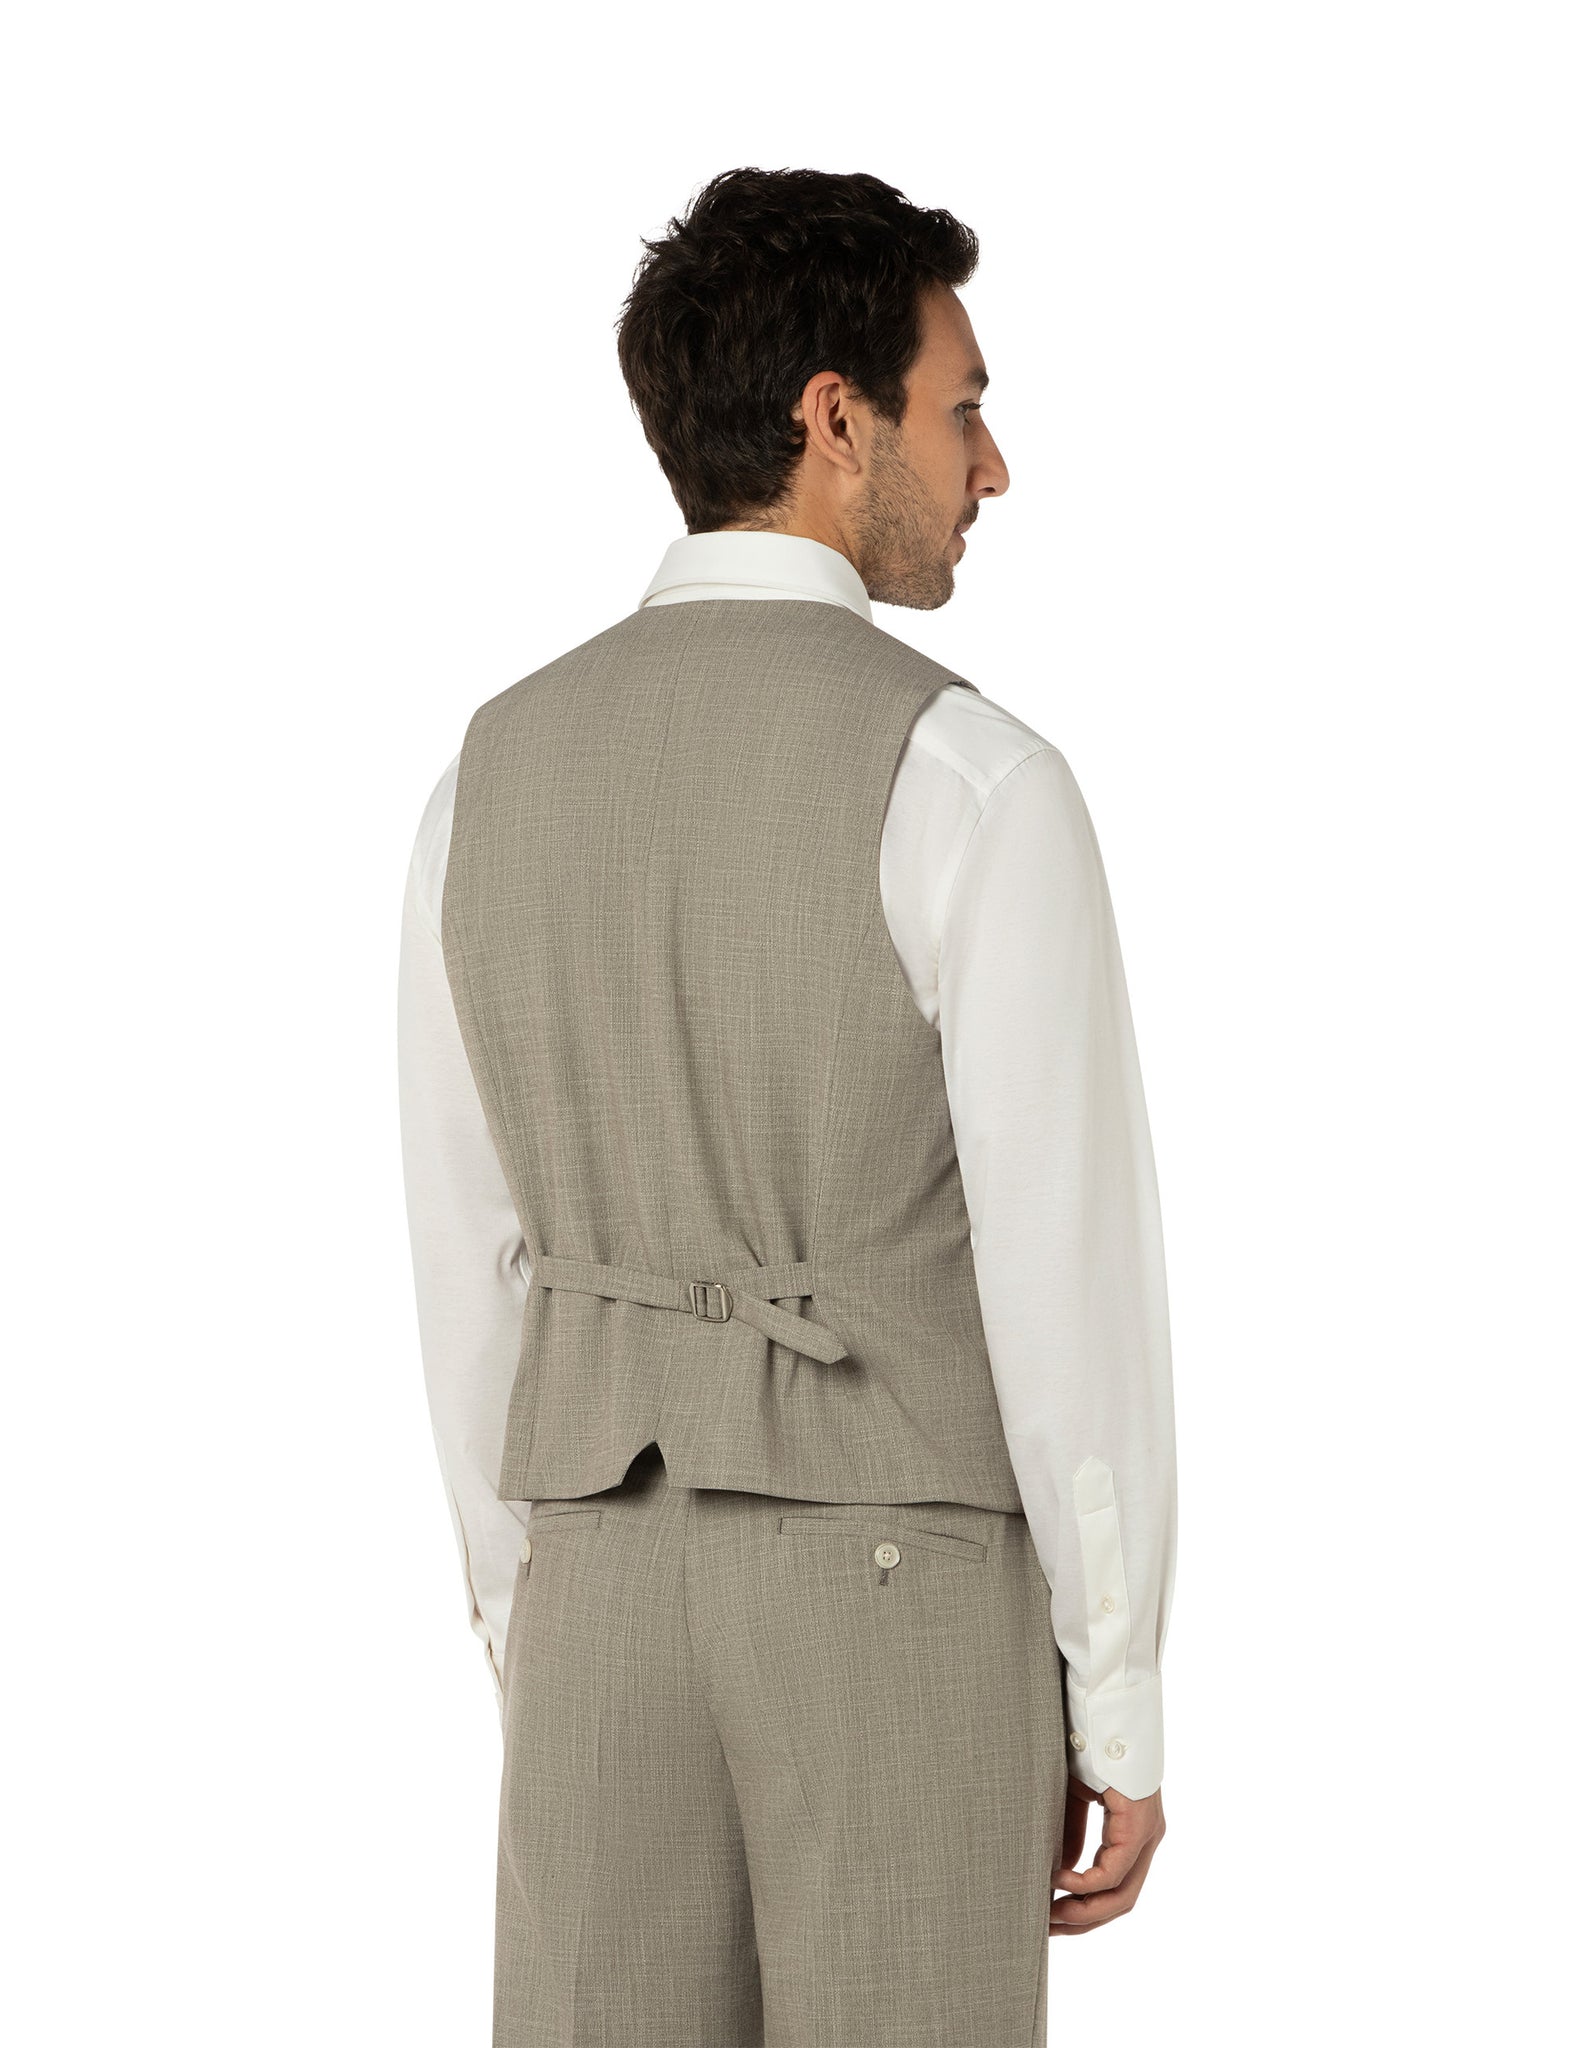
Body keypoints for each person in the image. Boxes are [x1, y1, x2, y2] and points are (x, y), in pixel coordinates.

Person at [398, 165, 1178, 2047]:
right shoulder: (969, 779)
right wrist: (1118, 1697)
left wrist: (532, 1611)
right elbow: (1067, 1286)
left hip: (596, 1582)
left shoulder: (483, 779)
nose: (992, 467)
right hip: (899, 1589)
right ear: (838, 420)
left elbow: (469, 1264)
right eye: (962, 406)